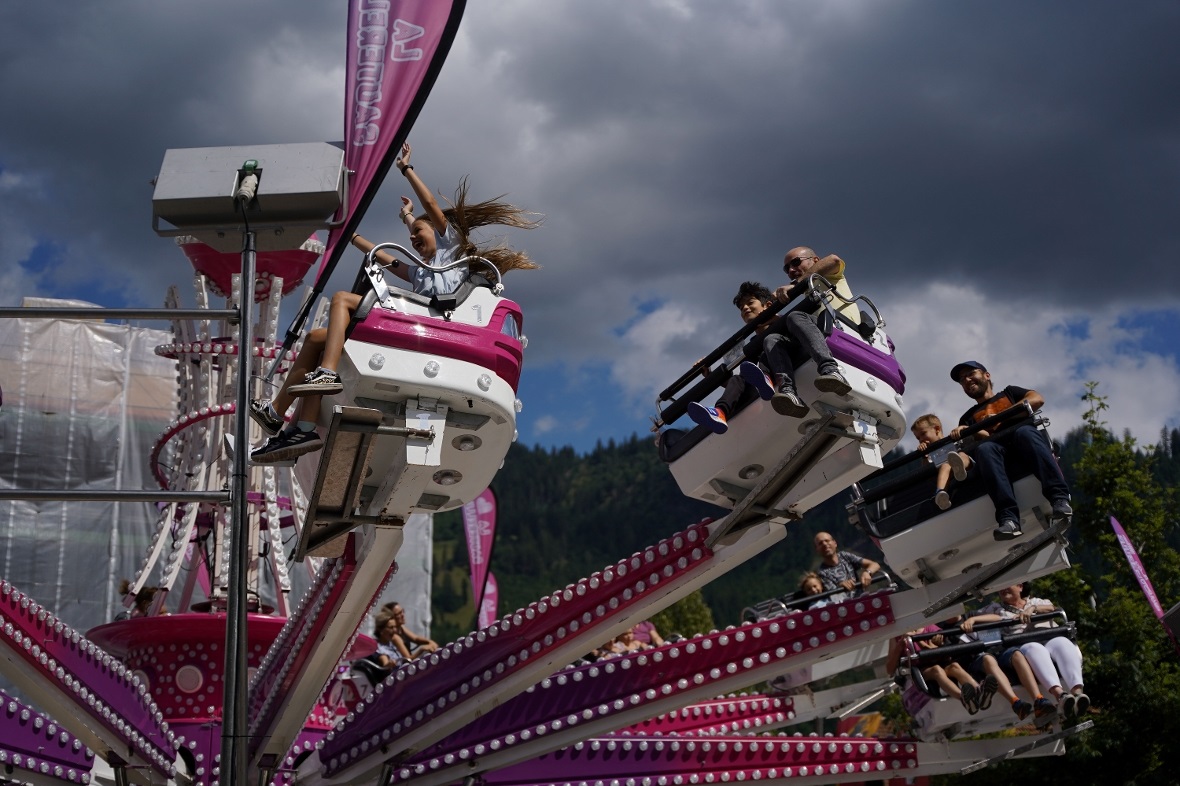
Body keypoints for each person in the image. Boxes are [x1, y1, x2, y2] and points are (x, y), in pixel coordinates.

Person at [251, 141, 540, 463]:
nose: (414, 240)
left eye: (420, 232)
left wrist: (406, 170)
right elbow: (384, 257)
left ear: (442, 232)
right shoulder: (421, 272)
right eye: (411, 237)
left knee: (343, 300)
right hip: (418, 321)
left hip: (435, 323)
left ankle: (327, 374)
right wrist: (349, 233)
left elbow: (429, 207)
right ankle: (292, 421)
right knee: (317, 339)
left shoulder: (453, 250)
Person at [948, 361, 1072, 541]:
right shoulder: (967, 418)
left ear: (986, 375)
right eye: (962, 380)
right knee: (985, 449)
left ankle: (1059, 497)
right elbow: (982, 438)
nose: (966, 380)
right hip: (998, 453)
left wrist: (999, 417)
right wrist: (967, 431)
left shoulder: (1010, 393)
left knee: (1024, 432)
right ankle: (1009, 519)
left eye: (970, 374)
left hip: (1025, 441)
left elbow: (1037, 399)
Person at [748, 247, 857, 418]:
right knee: (772, 339)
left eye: (796, 262)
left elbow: (834, 259)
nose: (791, 271)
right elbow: (804, 323)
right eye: (787, 269)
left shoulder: (830, 275)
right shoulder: (810, 294)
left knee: (795, 316)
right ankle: (788, 391)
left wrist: (795, 286)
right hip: (819, 332)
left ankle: (831, 370)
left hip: (842, 326)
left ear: (814, 260)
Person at [969, 583, 1088, 722]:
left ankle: (1078, 693)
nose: (1003, 589)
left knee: (1064, 643)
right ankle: (1060, 695)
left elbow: (1052, 608)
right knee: (1035, 649)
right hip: (1025, 644)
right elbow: (982, 615)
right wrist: (973, 619)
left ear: (1020, 587)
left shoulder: (1036, 602)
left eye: (1007, 585)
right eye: (999, 588)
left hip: (1049, 638)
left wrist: (1032, 609)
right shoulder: (997, 608)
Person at [686, 282, 780, 434]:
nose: (745, 308)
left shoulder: (782, 324)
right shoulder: (751, 346)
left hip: (784, 371)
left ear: (767, 305)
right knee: (738, 378)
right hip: (763, 388)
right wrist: (709, 375)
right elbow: (741, 383)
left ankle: (766, 377)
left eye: (750, 303)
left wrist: (772, 319)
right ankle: (720, 412)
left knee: (768, 345)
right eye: (742, 308)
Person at [961, 603, 1055, 725]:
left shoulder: (972, 614)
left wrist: (973, 619)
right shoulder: (943, 627)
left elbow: (997, 618)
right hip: (978, 659)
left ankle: (1039, 700)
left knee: (1016, 654)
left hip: (1000, 650)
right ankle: (1016, 703)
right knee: (988, 659)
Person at [885, 623, 997, 715]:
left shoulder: (931, 628)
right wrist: (899, 647)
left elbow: (936, 653)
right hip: (921, 669)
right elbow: (890, 669)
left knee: (955, 667)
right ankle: (964, 698)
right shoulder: (896, 637)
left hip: (940, 661)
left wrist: (918, 641)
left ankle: (979, 691)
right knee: (936, 670)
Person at [910, 413, 988, 510]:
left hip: (971, 470)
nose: (921, 439)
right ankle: (941, 494)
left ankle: (960, 469)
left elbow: (986, 435)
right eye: (918, 438)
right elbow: (927, 474)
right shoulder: (930, 455)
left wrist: (965, 428)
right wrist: (924, 456)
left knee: (961, 455)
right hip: (951, 479)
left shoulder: (955, 439)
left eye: (923, 433)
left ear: (937, 429)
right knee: (945, 466)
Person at [813, 531, 880, 597]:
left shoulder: (844, 556)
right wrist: (841, 586)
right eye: (820, 543)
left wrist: (867, 572)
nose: (825, 544)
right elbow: (832, 595)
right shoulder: (821, 573)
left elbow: (875, 565)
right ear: (817, 550)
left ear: (835, 543)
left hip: (862, 598)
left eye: (827, 541)